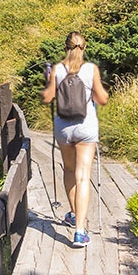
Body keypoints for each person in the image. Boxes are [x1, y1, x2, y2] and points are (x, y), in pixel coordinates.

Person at [41, 32, 109, 247]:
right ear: (84, 47)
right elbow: (102, 98)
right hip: (86, 128)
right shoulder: (91, 69)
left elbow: (47, 97)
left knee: (69, 171)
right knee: (83, 177)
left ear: (66, 47)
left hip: (64, 128)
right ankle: (80, 232)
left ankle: (72, 213)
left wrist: (48, 79)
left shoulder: (58, 70)